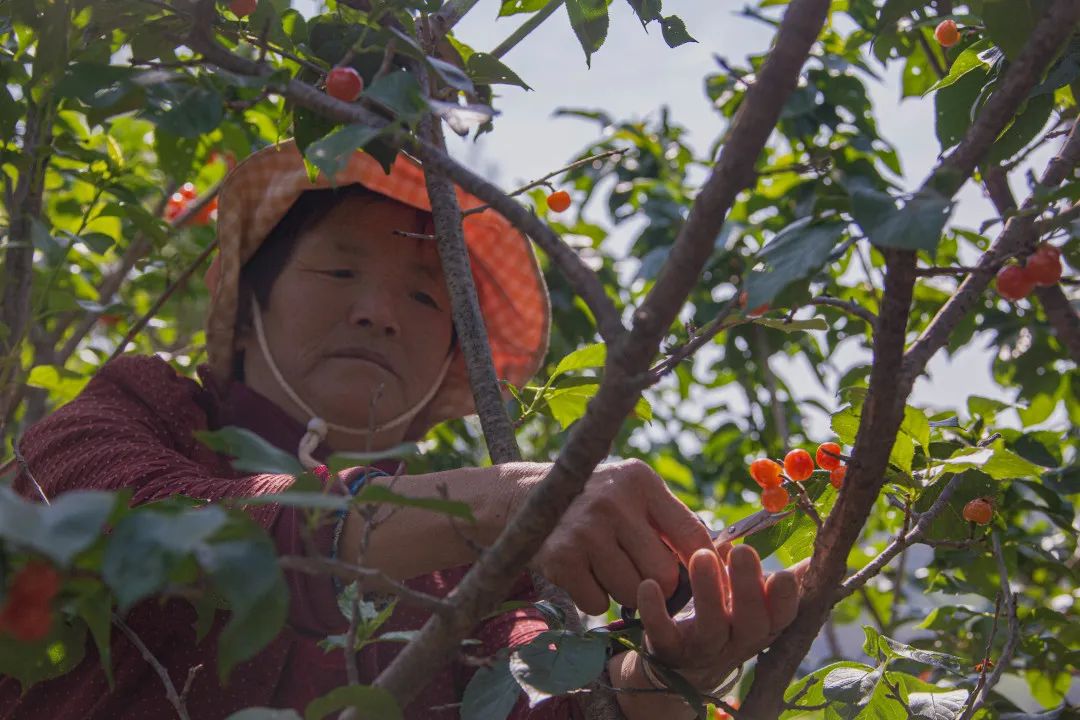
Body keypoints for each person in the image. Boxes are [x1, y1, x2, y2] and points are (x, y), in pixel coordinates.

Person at [0, 141, 803, 719]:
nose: (377, 312)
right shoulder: (141, 409)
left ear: (448, 368)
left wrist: (662, 676)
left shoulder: (467, 588)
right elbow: (137, 522)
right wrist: (497, 504)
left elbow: (540, 703)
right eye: (340, 270)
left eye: (425, 299)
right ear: (245, 310)